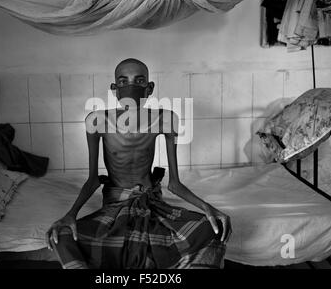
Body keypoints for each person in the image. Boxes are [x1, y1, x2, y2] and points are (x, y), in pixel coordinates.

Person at [46, 58, 232, 269]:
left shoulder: (166, 118)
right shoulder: (97, 120)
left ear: (149, 88)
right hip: (115, 203)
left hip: (152, 201)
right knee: (62, 235)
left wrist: (208, 208)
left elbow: (174, 184)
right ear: (115, 89)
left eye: (139, 80)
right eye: (123, 82)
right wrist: (70, 215)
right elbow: (92, 180)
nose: (131, 87)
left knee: (211, 228)